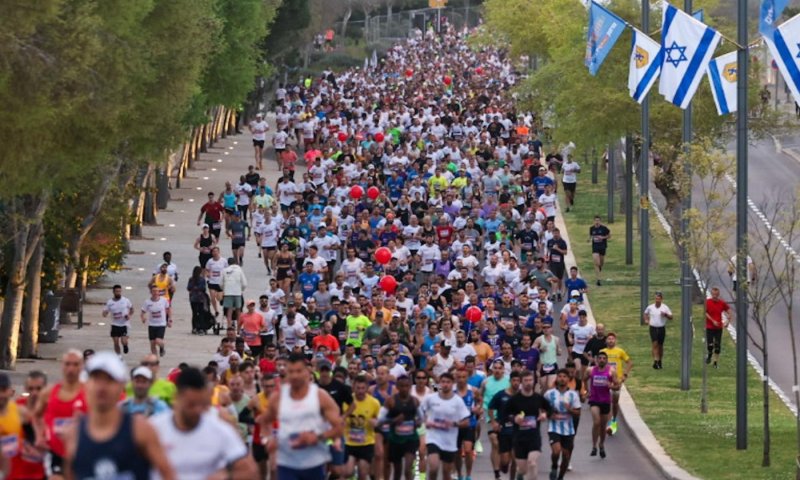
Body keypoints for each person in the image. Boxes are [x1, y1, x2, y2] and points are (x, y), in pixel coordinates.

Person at [64, 352, 175, 480]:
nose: (101, 387)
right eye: (96, 379)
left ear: (121, 385)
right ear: (86, 384)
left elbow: (167, 474)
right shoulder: (74, 434)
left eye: (109, 380)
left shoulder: (141, 430)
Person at [150, 367, 257, 479]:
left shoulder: (219, 429)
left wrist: (225, 476)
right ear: (177, 398)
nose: (197, 410)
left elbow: (249, 470)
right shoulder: (154, 428)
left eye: (202, 404)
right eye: (191, 404)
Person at [260, 352, 344, 480]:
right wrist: (267, 440)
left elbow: (339, 427)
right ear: (286, 373)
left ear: (307, 372)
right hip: (287, 463)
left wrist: (317, 437)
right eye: (291, 371)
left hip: (314, 462)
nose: (295, 375)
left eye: (299, 371)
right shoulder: (278, 397)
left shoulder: (320, 396)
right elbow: (264, 421)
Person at [33, 349, 87, 480]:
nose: (71, 369)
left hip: (82, 451)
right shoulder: (49, 392)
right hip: (55, 451)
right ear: (62, 366)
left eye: (75, 364)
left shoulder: (89, 392)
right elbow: (36, 415)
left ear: (82, 366)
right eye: (67, 364)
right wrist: (39, 436)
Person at [419, 372, 470, 480]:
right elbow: (420, 413)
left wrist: (454, 424)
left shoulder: (457, 401)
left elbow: (466, 421)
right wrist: (425, 422)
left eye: (448, 382)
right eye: (443, 382)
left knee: (446, 473)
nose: (445, 384)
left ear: (453, 384)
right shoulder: (431, 398)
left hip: (449, 441)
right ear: (439, 383)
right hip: (433, 438)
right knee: (433, 467)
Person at [504, 369, 550, 480]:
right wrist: (514, 418)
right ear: (521, 382)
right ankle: (520, 474)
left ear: (534, 381)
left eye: (530, 380)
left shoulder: (538, 398)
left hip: (534, 437)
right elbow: (504, 415)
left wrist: (544, 415)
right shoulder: (514, 400)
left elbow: (550, 409)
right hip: (519, 438)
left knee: (532, 463)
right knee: (523, 469)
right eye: (526, 380)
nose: (528, 382)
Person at [380, 375, 420, 480]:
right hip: (395, 440)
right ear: (397, 386)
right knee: (397, 471)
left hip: (411, 439)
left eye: (407, 386)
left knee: (408, 469)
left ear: (410, 386)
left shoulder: (415, 401)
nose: (404, 389)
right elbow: (380, 421)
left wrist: (418, 422)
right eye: (402, 386)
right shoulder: (390, 401)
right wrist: (393, 421)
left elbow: (422, 418)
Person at [543, 369, 582, 480]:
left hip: (568, 429)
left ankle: (560, 477)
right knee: (556, 451)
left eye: (564, 376)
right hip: (554, 428)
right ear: (557, 379)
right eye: (559, 376)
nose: (562, 378)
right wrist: (549, 414)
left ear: (568, 379)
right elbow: (542, 408)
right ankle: (554, 466)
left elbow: (578, 412)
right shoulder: (549, 394)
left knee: (566, 456)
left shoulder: (573, 395)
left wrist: (570, 410)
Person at [342, 375, 380, 480]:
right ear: (353, 387)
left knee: (363, 473)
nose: (360, 391)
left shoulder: (374, 403)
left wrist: (375, 422)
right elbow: (340, 417)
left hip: (366, 443)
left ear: (367, 388)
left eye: (363, 388)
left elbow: (379, 421)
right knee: (348, 472)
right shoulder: (347, 401)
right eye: (358, 388)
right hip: (349, 443)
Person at [487, 370, 520, 480]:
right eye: (514, 380)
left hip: (517, 431)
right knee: (505, 463)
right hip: (503, 430)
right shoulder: (501, 395)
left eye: (518, 381)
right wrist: (493, 422)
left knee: (516, 459)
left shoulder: (522, 395)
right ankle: (501, 467)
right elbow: (490, 408)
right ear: (510, 381)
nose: (516, 383)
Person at [585, 351, 618, 459]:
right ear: (596, 359)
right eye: (600, 358)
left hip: (605, 401)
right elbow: (583, 380)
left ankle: (601, 445)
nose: (602, 360)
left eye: (604, 358)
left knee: (603, 426)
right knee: (596, 422)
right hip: (594, 399)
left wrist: (611, 386)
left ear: (607, 360)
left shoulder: (611, 371)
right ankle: (594, 446)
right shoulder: (591, 370)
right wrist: (586, 391)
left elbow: (617, 386)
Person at [600, 333, 631, 436]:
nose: (611, 341)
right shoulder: (602, 352)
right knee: (608, 401)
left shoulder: (620, 351)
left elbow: (629, 363)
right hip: (606, 380)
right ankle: (610, 425)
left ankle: (613, 419)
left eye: (612, 339)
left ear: (615, 341)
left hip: (617, 381)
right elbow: (598, 365)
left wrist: (624, 375)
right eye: (609, 339)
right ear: (606, 341)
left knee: (615, 402)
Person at [454, 367, 482, 480]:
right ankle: (460, 474)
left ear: (467, 378)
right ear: (456, 378)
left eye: (464, 377)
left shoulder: (473, 390)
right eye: (459, 377)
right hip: (456, 425)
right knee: (457, 452)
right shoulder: (452, 391)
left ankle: (469, 475)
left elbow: (480, 401)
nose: (461, 379)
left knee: (468, 450)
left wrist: (478, 408)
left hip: (470, 423)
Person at [643, 291, 673, 370]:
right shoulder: (650, 307)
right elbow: (645, 313)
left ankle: (660, 361)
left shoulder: (665, 307)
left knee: (660, 346)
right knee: (654, 344)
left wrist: (665, 315)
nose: (657, 300)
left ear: (661, 299)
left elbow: (671, 317)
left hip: (661, 328)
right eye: (656, 299)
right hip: (653, 327)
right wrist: (646, 320)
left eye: (659, 299)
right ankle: (655, 361)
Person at [141, 286, 171, 357]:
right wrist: (143, 318)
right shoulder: (147, 302)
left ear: (159, 292)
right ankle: (155, 360)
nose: (155, 293)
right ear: (151, 292)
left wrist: (169, 319)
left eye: (157, 291)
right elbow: (143, 312)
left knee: (158, 340)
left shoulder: (164, 300)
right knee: (152, 343)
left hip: (161, 324)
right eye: (154, 291)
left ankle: (162, 347)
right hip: (152, 325)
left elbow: (168, 310)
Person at [102, 284, 133, 355]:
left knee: (123, 341)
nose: (118, 293)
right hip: (115, 324)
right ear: (113, 292)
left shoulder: (126, 300)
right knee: (116, 342)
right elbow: (104, 312)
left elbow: (132, 309)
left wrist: (129, 315)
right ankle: (118, 356)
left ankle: (125, 345)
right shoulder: (110, 302)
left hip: (124, 324)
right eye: (117, 291)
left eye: (119, 291)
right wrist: (105, 313)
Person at [705, 287, 732, 368]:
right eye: (713, 294)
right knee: (710, 345)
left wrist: (727, 321)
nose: (714, 296)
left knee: (717, 345)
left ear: (718, 295)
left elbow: (729, 312)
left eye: (716, 295)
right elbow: (705, 313)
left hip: (718, 328)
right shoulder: (708, 302)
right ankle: (709, 355)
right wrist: (712, 321)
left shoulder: (722, 303)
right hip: (710, 327)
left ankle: (715, 362)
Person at [221, 257, 248, 329]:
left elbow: (221, 283)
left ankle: (229, 327)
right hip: (237, 293)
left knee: (229, 311)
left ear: (228, 263)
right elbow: (244, 283)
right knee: (238, 310)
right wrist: (241, 290)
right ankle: (238, 328)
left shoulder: (225, 270)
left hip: (228, 293)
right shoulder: (239, 270)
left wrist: (224, 289)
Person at [187, 266, 210, 335]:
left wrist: (194, 288)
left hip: (193, 298)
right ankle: (201, 328)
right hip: (200, 299)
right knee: (201, 313)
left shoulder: (191, 279)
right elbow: (203, 288)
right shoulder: (202, 279)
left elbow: (189, 288)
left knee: (194, 313)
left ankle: (194, 327)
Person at [588, 216, 610, 286]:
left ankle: (600, 267)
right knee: (596, 263)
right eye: (595, 220)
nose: (597, 222)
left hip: (602, 246)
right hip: (595, 247)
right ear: (594, 221)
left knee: (601, 263)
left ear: (600, 221)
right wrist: (589, 239)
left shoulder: (604, 228)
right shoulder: (591, 228)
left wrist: (603, 237)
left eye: (598, 220)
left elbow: (609, 236)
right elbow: (591, 236)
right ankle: (598, 280)